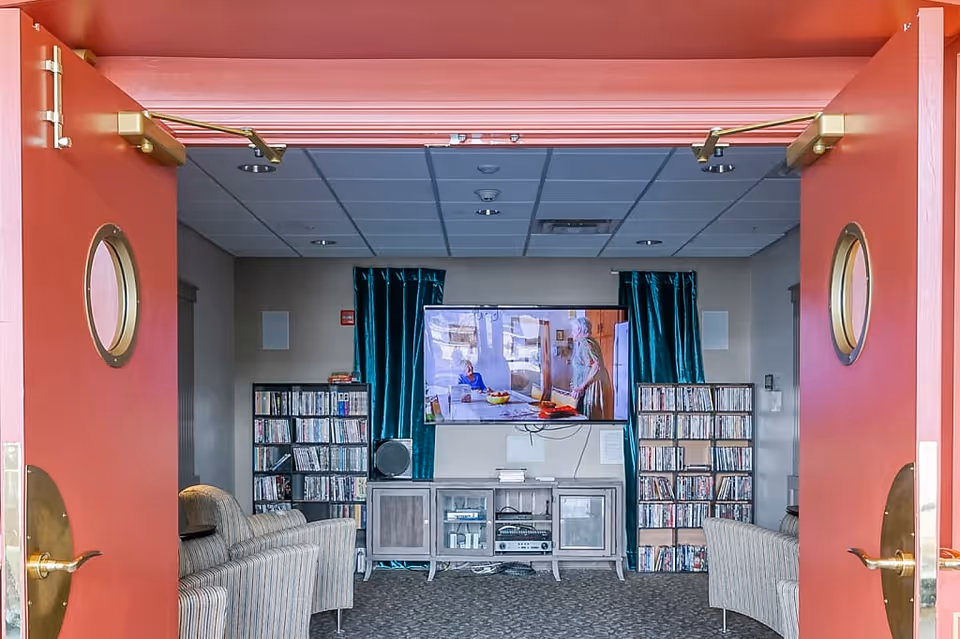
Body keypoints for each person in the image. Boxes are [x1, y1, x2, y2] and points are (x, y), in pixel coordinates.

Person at [570, 317, 612, 420]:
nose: (572, 333)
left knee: (590, 417)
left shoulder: (585, 342)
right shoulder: (591, 341)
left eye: (573, 330)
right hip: (596, 383)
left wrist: (582, 386)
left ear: (579, 329)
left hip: (592, 385)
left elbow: (596, 366)